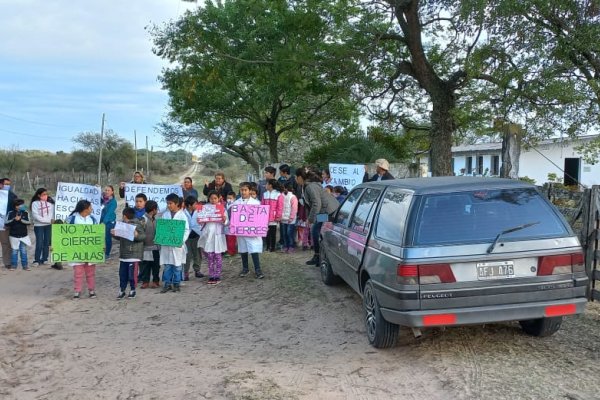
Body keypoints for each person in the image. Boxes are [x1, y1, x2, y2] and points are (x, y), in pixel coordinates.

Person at [296, 167, 339, 266]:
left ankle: (318, 256)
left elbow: (316, 203)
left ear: (300, 177)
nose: (295, 179)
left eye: (296, 177)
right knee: (315, 229)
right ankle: (318, 255)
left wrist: (311, 219)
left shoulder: (310, 186)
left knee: (315, 229)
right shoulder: (307, 186)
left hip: (330, 212)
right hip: (325, 212)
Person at [112, 207, 145, 299]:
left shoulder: (137, 225)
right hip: (123, 255)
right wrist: (114, 234)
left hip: (133, 255)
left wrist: (136, 235)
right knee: (122, 273)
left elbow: (143, 237)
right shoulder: (122, 225)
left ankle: (132, 290)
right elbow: (120, 237)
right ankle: (122, 290)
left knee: (132, 274)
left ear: (124, 216)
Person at [160, 193, 190, 293]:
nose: (168, 205)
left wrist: (181, 240)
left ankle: (176, 284)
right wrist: (161, 238)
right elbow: (162, 229)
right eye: (167, 203)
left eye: (170, 203)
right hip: (167, 245)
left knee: (177, 266)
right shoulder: (165, 215)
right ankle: (167, 283)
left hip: (177, 245)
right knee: (167, 266)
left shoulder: (182, 216)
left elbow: (186, 230)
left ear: (177, 204)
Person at [68, 200, 98, 299]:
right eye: (90, 207)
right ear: (85, 209)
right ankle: (77, 291)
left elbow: (97, 234)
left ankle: (91, 290)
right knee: (78, 272)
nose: (92, 209)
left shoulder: (93, 220)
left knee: (90, 272)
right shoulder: (71, 219)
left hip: (90, 250)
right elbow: (63, 234)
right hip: (77, 250)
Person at [234, 182, 264, 279]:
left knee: (254, 249)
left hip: (252, 232)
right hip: (241, 231)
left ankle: (258, 269)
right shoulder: (236, 203)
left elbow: (260, 218)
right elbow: (234, 218)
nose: (243, 192)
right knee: (243, 249)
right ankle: (245, 268)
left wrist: (259, 227)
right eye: (241, 190)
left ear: (250, 191)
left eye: (245, 190)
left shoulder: (256, 203)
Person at [197, 190, 228, 284]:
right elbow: (201, 222)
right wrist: (199, 220)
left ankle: (217, 275)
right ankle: (211, 275)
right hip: (208, 235)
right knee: (210, 256)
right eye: (211, 198)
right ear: (208, 198)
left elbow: (227, 223)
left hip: (218, 235)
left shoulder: (222, 208)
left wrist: (224, 220)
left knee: (218, 256)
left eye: (215, 198)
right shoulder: (205, 208)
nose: (213, 200)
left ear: (219, 198)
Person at [30, 187, 55, 266]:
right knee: (39, 242)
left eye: (46, 194)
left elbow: (51, 215)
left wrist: (50, 221)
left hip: (48, 226)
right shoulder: (35, 203)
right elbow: (35, 215)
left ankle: (45, 259)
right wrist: (48, 221)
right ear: (38, 195)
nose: (45, 196)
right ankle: (36, 260)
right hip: (38, 226)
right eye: (43, 194)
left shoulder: (50, 204)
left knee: (47, 243)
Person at [139, 200, 161, 289]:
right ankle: (145, 281)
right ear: (153, 210)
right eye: (156, 209)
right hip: (145, 247)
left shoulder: (157, 219)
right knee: (145, 265)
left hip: (156, 247)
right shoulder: (143, 220)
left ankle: (156, 281)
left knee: (156, 265)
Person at [5, 198, 31, 270]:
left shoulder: (26, 212)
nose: (22, 206)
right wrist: (14, 219)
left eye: (22, 204)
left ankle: (25, 266)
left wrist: (21, 220)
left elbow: (29, 222)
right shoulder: (10, 213)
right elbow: (6, 223)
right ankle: (14, 266)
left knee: (23, 251)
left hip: (23, 235)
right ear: (16, 206)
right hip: (13, 235)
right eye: (19, 205)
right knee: (14, 251)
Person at [183, 195, 204, 281]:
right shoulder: (183, 213)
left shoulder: (199, 211)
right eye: (195, 204)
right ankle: (185, 272)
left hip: (197, 236)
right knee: (187, 255)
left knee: (197, 254)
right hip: (187, 237)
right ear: (189, 205)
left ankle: (197, 270)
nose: (196, 205)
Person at [261, 179, 283, 252]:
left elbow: (280, 207)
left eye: (267, 184)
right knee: (266, 233)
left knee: (273, 233)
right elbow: (262, 205)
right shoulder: (265, 194)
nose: (265, 185)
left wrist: (278, 216)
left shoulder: (278, 194)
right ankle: (267, 247)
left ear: (270, 185)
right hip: (265, 217)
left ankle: (272, 248)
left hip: (273, 218)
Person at [0, 178, 18, 269]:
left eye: (9, 184)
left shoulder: (13, 196)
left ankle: (8, 262)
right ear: (1, 185)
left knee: (6, 243)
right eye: (6, 184)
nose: (8, 186)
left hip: (6, 223)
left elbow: (17, 207)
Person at [100, 185, 117, 259]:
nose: (106, 192)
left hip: (109, 222)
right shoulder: (101, 200)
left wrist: (104, 222)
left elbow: (109, 213)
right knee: (100, 237)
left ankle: (107, 253)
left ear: (112, 192)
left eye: (108, 190)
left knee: (107, 237)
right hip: (100, 221)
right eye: (105, 190)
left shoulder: (113, 202)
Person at [281, 182, 298, 253]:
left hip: (291, 220)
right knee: (284, 233)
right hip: (283, 218)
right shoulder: (282, 196)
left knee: (289, 233)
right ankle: (285, 246)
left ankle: (291, 246)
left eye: (284, 188)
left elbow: (294, 208)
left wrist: (291, 217)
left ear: (287, 188)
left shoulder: (293, 197)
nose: (283, 189)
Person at [224, 191, 237, 256]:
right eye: (228, 198)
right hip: (225, 224)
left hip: (232, 225)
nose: (229, 199)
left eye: (230, 198)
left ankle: (231, 251)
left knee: (231, 239)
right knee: (226, 238)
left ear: (234, 198)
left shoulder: (235, 205)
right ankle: (226, 250)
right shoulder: (225, 205)